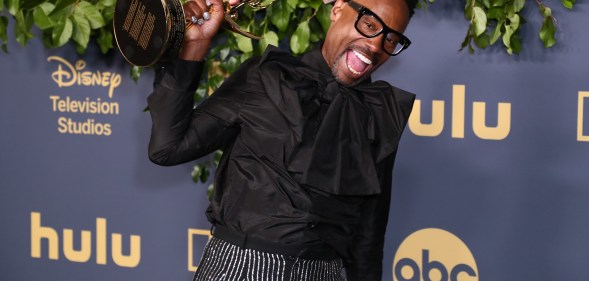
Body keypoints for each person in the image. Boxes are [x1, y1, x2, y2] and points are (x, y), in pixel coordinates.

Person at [147, 0, 417, 280]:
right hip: (239, 268)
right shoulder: (264, 78)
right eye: (369, 24)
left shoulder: (376, 115)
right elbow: (168, 148)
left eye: (390, 40)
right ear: (337, 9)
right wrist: (195, 47)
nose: (375, 46)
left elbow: (367, 239)